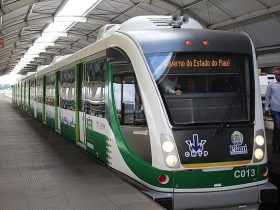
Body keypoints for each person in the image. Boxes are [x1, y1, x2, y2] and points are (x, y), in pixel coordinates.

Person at [264, 67, 280, 153]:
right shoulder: (271, 84)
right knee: (278, 127)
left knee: (277, 128)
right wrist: (266, 108)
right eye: (276, 74)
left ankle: (275, 145)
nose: (277, 76)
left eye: (278, 74)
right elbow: (267, 97)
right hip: (275, 110)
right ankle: (275, 146)